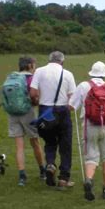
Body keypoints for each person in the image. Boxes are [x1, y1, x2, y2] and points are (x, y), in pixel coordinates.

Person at [70, 61, 105, 201]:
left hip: (89, 126)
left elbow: (71, 106)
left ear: (91, 73)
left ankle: (89, 180)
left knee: (91, 157)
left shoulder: (83, 86)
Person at [31, 51, 77, 190]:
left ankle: (50, 164)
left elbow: (33, 93)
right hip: (62, 110)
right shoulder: (68, 74)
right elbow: (72, 97)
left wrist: (38, 101)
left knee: (50, 142)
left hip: (45, 110)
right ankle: (64, 178)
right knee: (65, 145)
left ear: (49, 60)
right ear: (62, 61)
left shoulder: (39, 71)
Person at [4, 57, 46, 187]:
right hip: (28, 113)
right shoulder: (30, 78)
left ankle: (22, 175)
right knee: (35, 142)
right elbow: (34, 96)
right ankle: (42, 170)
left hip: (12, 113)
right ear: (29, 65)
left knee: (19, 146)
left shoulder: (11, 77)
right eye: (34, 64)